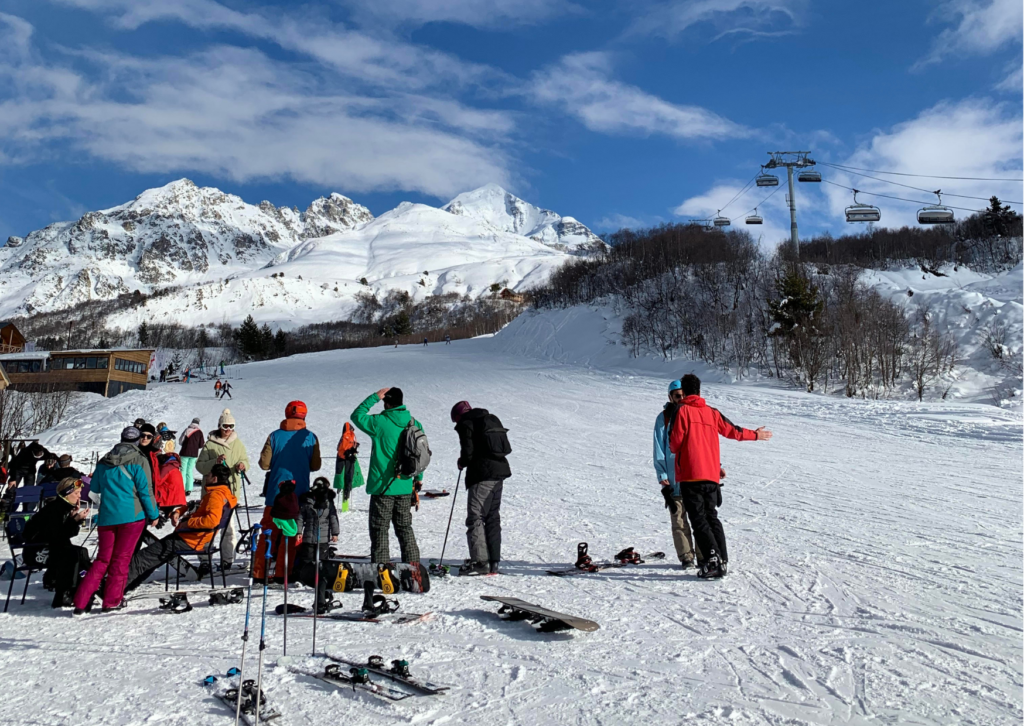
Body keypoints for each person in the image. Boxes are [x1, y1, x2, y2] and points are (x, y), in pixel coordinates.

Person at [668, 374, 772, 579]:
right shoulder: (712, 412)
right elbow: (733, 431)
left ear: (685, 391)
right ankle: (721, 558)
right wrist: (755, 435)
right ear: (699, 391)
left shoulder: (682, 411)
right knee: (712, 517)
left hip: (691, 476)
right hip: (711, 476)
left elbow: (674, 443)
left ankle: (713, 560)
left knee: (699, 521)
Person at [73, 427, 160, 614]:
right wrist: (153, 515)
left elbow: (94, 492)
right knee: (121, 560)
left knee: (102, 560)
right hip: (132, 517)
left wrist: (108, 503)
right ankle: (111, 602)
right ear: (137, 441)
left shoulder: (104, 461)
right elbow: (146, 492)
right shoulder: (139, 460)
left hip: (106, 517)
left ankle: (80, 602)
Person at [124, 463, 237, 593]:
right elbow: (196, 505)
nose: (207, 476)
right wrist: (180, 512)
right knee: (154, 556)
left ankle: (115, 588)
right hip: (193, 537)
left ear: (215, 478)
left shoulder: (215, 496)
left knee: (144, 557)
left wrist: (187, 523)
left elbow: (211, 520)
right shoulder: (223, 494)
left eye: (209, 474)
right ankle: (128, 584)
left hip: (191, 539)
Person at [351, 388, 423, 566]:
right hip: (405, 485)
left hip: (383, 487)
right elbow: (420, 452)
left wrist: (374, 397)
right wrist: (418, 477)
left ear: (386, 402)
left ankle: (381, 571)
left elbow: (356, 415)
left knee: (380, 530)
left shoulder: (379, 422)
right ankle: (413, 570)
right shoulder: (414, 423)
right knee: (405, 528)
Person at [254, 401, 321, 582]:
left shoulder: (274, 436)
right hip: (298, 495)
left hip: (274, 494)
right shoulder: (311, 437)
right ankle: (285, 573)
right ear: (304, 416)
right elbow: (316, 465)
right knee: (291, 534)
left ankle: (259, 573)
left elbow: (264, 464)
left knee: (268, 531)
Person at [451, 400, 511, 576]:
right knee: (492, 516)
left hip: (482, 474)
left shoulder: (466, 423)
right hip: (499, 472)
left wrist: (462, 462)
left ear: (458, 416)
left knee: (475, 517)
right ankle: (494, 562)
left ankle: (480, 561)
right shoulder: (488, 419)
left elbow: (468, 453)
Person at [653, 380, 702, 569]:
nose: (681, 399)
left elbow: (702, 444)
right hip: (674, 478)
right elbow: (659, 447)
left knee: (699, 519)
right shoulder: (664, 418)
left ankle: (703, 555)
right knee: (679, 519)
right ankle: (686, 557)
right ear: (670, 397)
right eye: (677, 396)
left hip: (693, 476)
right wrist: (662, 473)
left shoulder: (692, 414)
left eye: (683, 395)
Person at [23, 477, 92, 607]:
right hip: (35, 552)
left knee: (79, 551)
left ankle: (83, 586)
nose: (79, 497)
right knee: (72, 554)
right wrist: (74, 520)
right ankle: (64, 595)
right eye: (76, 493)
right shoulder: (55, 509)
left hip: (47, 547)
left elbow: (66, 534)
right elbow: (57, 535)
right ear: (66, 494)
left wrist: (74, 519)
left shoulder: (63, 507)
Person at [196, 409, 250, 570]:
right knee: (209, 527)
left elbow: (245, 460)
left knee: (228, 528)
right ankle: (205, 560)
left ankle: (227, 559)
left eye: (231, 426)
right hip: (212, 494)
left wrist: (243, 466)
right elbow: (200, 466)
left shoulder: (237, 443)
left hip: (230, 492)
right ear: (219, 426)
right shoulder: (210, 444)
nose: (228, 429)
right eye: (225, 426)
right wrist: (215, 461)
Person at [294, 477, 339, 613]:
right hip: (309, 535)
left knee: (322, 560)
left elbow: (333, 517)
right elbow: (301, 517)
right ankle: (303, 578)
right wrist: (298, 531)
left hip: (323, 537)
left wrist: (335, 533)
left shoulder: (328, 502)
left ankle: (322, 579)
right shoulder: (307, 502)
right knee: (307, 557)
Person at [333, 422, 364, 513]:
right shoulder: (350, 436)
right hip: (349, 460)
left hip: (343, 460)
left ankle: (344, 501)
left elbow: (339, 449)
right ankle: (345, 503)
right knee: (348, 479)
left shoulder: (346, 436)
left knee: (343, 479)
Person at [178, 417, 205, 495]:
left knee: (183, 470)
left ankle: (181, 488)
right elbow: (201, 444)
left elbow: (180, 441)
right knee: (189, 470)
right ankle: (189, 488)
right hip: (194, 454)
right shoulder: (200, 432)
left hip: (184, 453)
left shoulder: (187, 430)